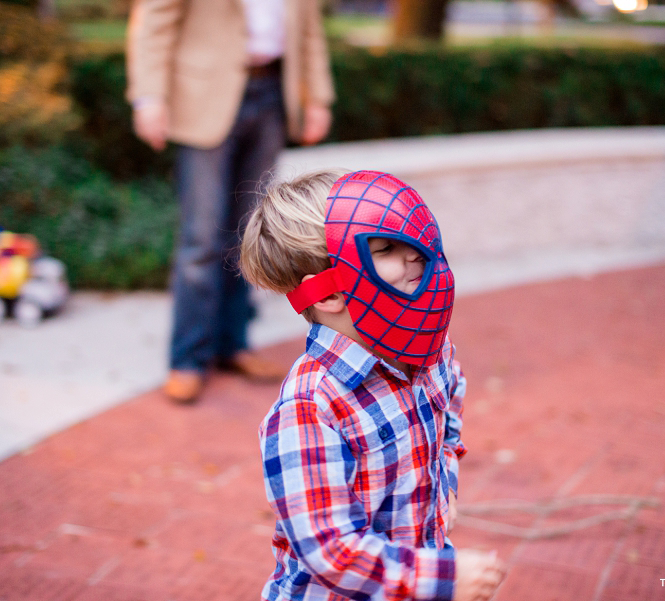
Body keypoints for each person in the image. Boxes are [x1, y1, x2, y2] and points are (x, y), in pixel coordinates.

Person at [239, 170, 507, 601]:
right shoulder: (309, 408)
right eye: (386, 249)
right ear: (328, 295)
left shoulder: (429, 351)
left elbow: (450, 403)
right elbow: (330, 549)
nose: (416, 259)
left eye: (410, 242)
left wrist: (447, 481)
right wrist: (441, 580)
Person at [125, 0, 335, 404]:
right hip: (204, 95)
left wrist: (318, 97)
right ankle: (187, 359)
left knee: (251, 234)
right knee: (201, 238)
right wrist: (148, 97)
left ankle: (233, 344)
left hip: (274, 92)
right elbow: (154, 18)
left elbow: (309, 28)